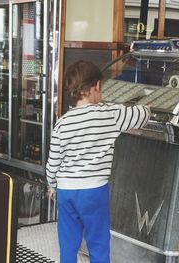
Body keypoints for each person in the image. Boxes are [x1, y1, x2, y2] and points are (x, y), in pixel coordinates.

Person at [46, 60, 150, 263]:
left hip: (66, 191)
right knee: (98, 243)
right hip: (94, 191)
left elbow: (53, 162)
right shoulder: (110, 114)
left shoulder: (62, 123)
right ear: (96, 87)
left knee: (68, 244)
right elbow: (143, 114)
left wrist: (52, 185)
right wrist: (148, 106)